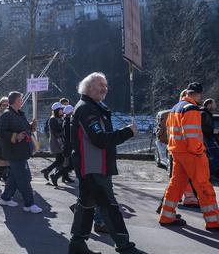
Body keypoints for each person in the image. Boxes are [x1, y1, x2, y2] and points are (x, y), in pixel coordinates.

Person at [68, 72, 145, 254]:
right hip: (93, 167)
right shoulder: (87, 109)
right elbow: (99, 139)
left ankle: (77, 244)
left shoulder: (92, 107)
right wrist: (127, 132)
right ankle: (124, 246)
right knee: (109, 207)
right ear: (88, 88)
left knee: (86, 205)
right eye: (100, 85)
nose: (105, 88)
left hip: (92, 166)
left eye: (106, 85)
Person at [159, 82, 219, 231]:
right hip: (192, 154)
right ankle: (213, 222)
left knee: (176, 185)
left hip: (177, 153)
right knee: (203, 186)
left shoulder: (175, 108)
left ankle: (166, 216)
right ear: (198, 94)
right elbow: (191, 135)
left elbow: (171, 133)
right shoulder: (191, 108)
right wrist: (200, 151)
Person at [0, 91, 41, 214]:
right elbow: (2, 132)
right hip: (13, 152)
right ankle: (29, 204)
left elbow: (25, 129)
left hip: (22, 151)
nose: (22, 101)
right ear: (16, 101)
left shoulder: (20, 114)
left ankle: (5, 198)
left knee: (15, 177)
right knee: (23, 178)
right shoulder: (6, 115)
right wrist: (15, 136)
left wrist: (32, 126)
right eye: (20, 99)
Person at [41, 102, 66, 187]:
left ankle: (48, 171)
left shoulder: (60, 118)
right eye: (61, 109)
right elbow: (57, 131)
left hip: (60, 142)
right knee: (60, 160)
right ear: (57, 110)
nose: (62, 111)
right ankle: (51, 173)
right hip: (56, 142)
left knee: (60, 160)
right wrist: (65, 126)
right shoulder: (52, 119)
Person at [201, 99, 219, 180]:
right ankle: (209, 175)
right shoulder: (203, 113)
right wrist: (213, 130)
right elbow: (201, 127)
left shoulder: (207, 113)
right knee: (214, 157)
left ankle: (211, 174)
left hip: (209, 139)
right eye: (214, 104)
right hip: (205, 140)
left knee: (215, 156)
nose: (215, 106)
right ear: (209, 104)